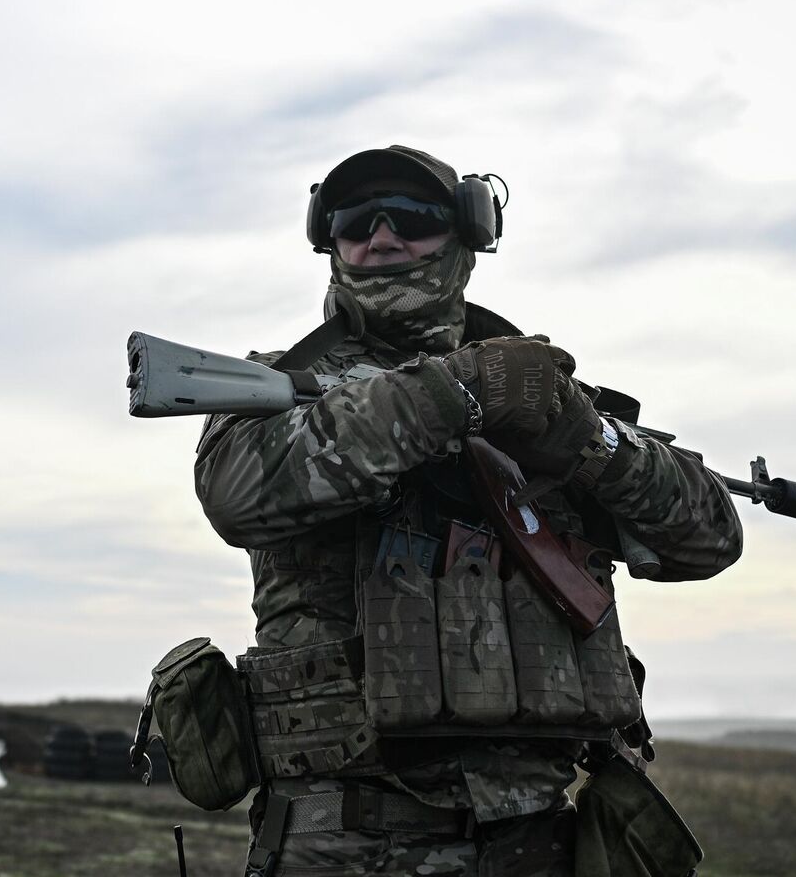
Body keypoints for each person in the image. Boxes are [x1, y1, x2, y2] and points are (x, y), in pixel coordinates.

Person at [194, 145, 743, 876]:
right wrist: (452, 393)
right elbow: (237, 494)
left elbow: (709, 538)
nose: (381, 238)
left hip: (537, 835)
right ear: (328, 240)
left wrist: (591, 443)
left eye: (412, 217)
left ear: (467, 234)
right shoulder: (273, 387)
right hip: (346, 840)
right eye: (355, 221)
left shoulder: (542, 395)